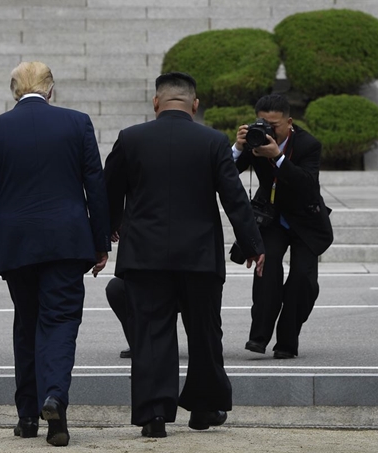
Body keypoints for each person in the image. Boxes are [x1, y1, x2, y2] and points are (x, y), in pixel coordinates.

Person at [104, 72, 265, 438]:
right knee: (205, 333)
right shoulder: (212, 141)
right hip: (199, 256)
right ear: (195, 105)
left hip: (145, 255)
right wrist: (255, 246)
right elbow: (234, 198)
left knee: (151, 334)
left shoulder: (131, 138)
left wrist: (108, 231)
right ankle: (204, 408)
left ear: (156, 103)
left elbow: (108, 191)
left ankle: (153, 415)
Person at [0, 61, 111, 447]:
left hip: (16, 243)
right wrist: (101, 241)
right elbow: (94, 185)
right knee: (60, 321)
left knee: (27, 323)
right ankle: (55, 401)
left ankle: (28, 416)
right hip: (67, 240)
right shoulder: (77, 122)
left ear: (14, 90)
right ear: (51, 90)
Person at [232, 94, 333, 359]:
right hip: (272, 218)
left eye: (274, 125)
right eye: (263, 123)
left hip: (306, 220)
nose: (269, 131)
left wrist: (278, 158)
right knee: (267, 270)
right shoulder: (254, 141)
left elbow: (307, 185)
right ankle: (258, 338)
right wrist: (237, 148)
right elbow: (226, 173)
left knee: (302, 280)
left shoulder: (309, 144)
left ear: (289, 122)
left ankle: (287, 341)